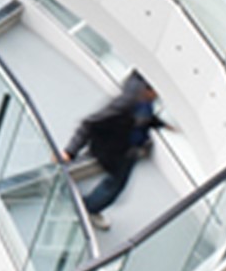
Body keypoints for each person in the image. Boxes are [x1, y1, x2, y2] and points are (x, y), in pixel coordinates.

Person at [58, 71, 164, 231]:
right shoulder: (127, 103)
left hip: (124, 148)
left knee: (113, 182)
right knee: (115, 186)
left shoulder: (143, 101)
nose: (157, 97)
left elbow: (145, 119)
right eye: (156, 93)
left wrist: (160, 124)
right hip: (117, 149)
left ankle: (80, 199)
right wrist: (70, 151)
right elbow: (89, 123)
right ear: (149, 90)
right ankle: (89, 208)